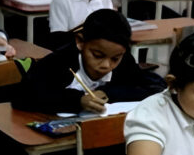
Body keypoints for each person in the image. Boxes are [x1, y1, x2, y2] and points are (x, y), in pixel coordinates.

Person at [15, 9, 165, 114]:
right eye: (97, 55)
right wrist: (78, 100)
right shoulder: (59, 61)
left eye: (115, 59)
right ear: (80, 42)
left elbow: (157, 86)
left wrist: (107, 93)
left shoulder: (124, 62)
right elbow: (23, 96)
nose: (106, 65)